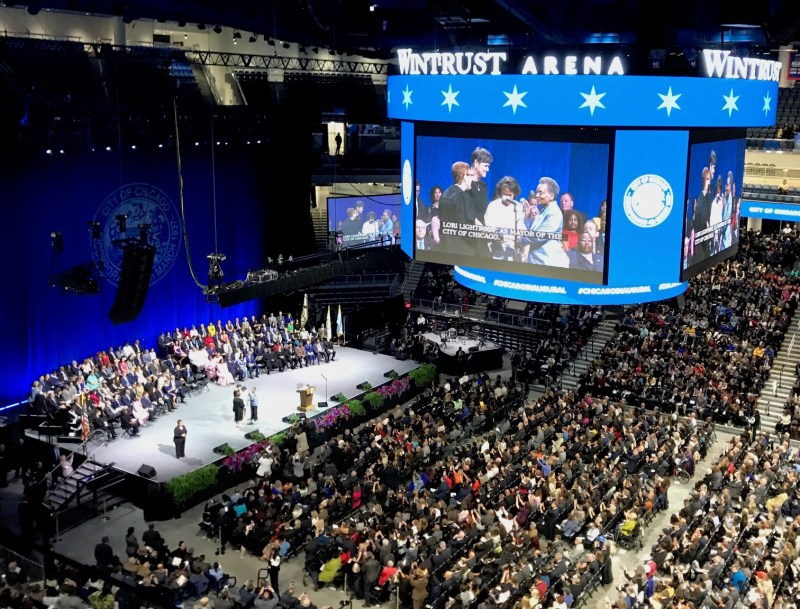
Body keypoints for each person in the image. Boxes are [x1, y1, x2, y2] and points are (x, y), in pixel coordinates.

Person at [520, 177, 570, 268]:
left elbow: (539, 236)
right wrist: (526, 217)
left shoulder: (554, 213)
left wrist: (520, 240)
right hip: (537, 262)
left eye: (541, 193)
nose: (537, 195)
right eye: (537, 192)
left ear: (551, 196)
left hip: (547, 263)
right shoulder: (544, 211)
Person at [483, 176, 526, 261]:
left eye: (510, 195)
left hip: (513, 249)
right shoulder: (493, 206)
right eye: (505, 194)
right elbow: (489, 227)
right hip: (496, 248)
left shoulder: (518, 206)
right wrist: (504, 237)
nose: (507, 197)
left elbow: (521, 227)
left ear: (514, 194)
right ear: (500, 193)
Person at [438, 161, 475, 256]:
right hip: (461, 249)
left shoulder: (445, 193)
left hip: (445, 246)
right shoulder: (462, 197)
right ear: (464, 176)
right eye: (470, 175)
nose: (473, 179)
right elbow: (466, 226)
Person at [466, 147, 493, 226]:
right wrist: (482, 229)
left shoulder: (483, 185)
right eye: (485, 166)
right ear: (476, 163)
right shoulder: (465, 184)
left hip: (483, 230)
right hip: (469, 229)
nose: (487, 169)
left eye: (488, 166)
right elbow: (465, 212)